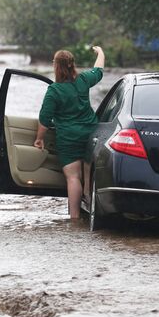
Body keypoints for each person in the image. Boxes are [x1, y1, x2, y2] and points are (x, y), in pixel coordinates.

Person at [34, 46, 105, 219]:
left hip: (69, 138)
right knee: (89, 171)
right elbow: (99, 71)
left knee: (73, 177)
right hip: (91, 133)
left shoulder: (54, 91)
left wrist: (39, 139)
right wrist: (100, 52)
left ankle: (74, 218)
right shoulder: (83, 80)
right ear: (72, 64)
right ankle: (90, 203)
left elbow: (44, 118)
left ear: (56, 66)